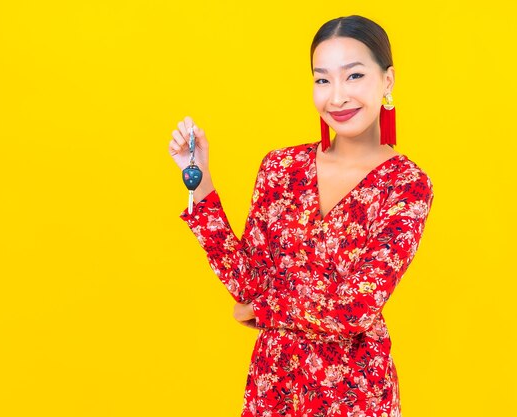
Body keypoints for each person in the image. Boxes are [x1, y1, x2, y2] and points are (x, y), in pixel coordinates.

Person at [168, 15, 434, 417]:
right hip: (272, 386)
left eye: (354, 75)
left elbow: (356, 308)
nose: (337, 97)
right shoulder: (281, 168)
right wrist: (200, 184)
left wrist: (265, 310)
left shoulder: (407, 185)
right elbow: (247, 284)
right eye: (322, 79)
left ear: (388, 81)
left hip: (356, 393)